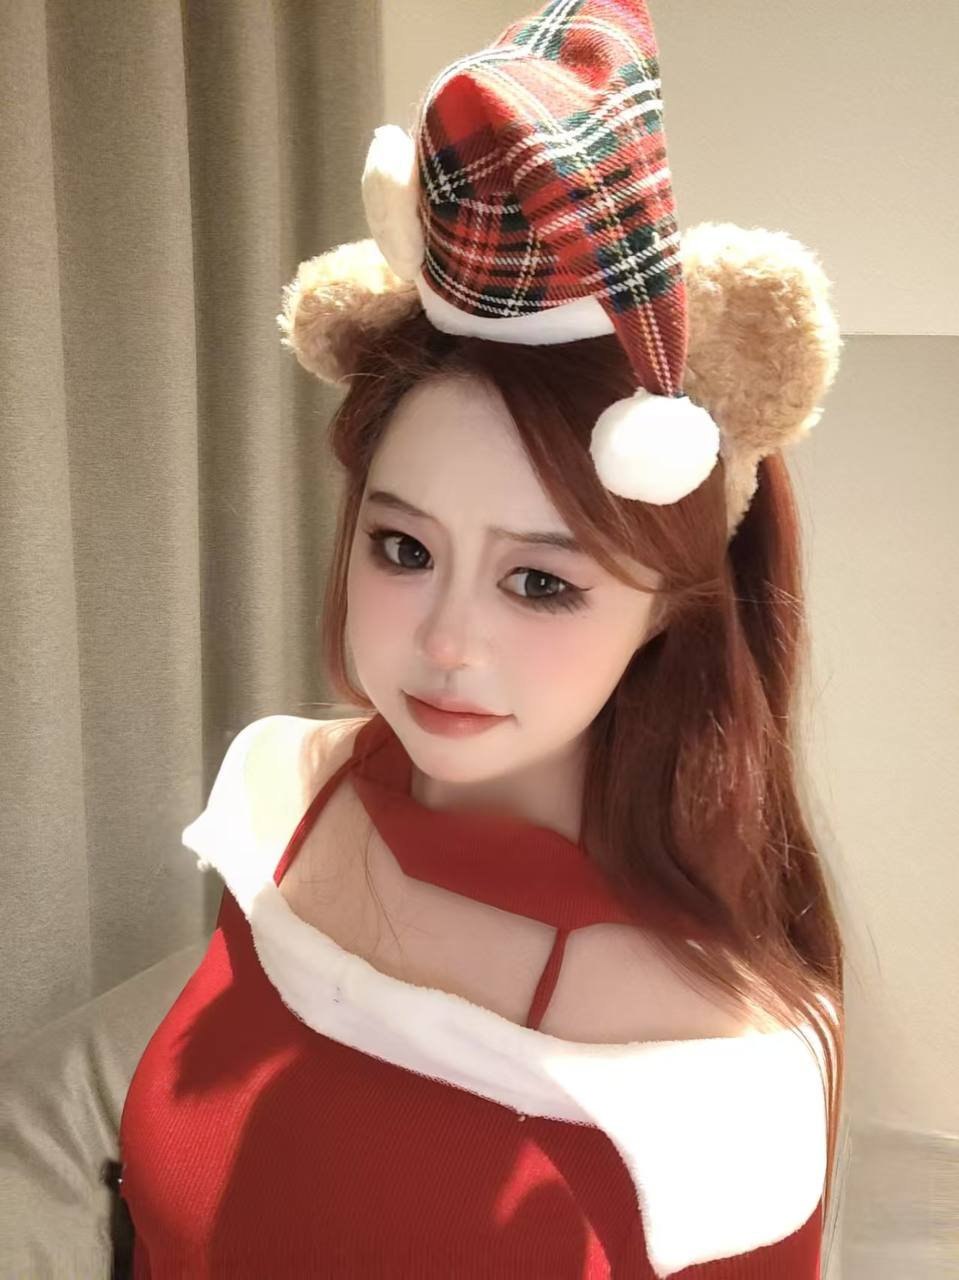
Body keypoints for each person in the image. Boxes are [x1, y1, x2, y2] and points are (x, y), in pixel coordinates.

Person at [117, 1, 846, 1274]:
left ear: (671, 603)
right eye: (403, 549)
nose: (445, 642)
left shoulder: (711, 1056)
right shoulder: (290, 799)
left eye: (540, 582)